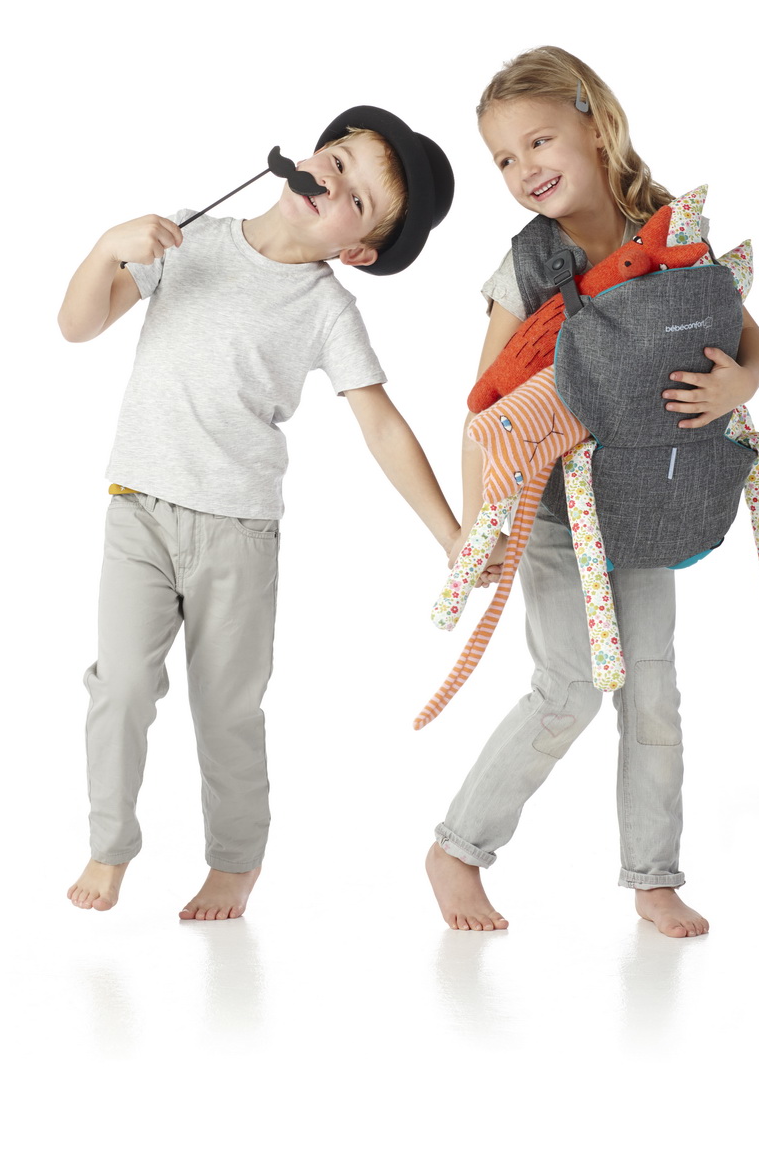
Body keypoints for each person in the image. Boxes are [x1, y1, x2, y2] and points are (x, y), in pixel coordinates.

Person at [61, 105, 459, 920]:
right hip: (138, 511)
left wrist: (451, 534)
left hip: (237, 534)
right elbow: (77, 325)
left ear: (358, 249)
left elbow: (381, 425)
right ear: (309, 154)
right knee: (122, 684)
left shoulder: (326, 308)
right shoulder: (189, 236)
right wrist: (106, 247)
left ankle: (235, 862)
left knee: (227, 710)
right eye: (337, 159)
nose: (332, 182)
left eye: (356, 196)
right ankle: (110, 844)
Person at [425, 48, 759, 938]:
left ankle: (654, 876)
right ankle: (459, 848)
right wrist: (480, 526)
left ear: (595, 122)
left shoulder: (670, 232)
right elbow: (487, 410)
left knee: (653, 688)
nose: (524, 168)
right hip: (549, 509)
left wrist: (741, 382)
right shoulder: (528, 264)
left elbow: (748, 337)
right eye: (504, 158)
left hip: (645, 503)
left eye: (538, 140)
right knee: (570, 685)